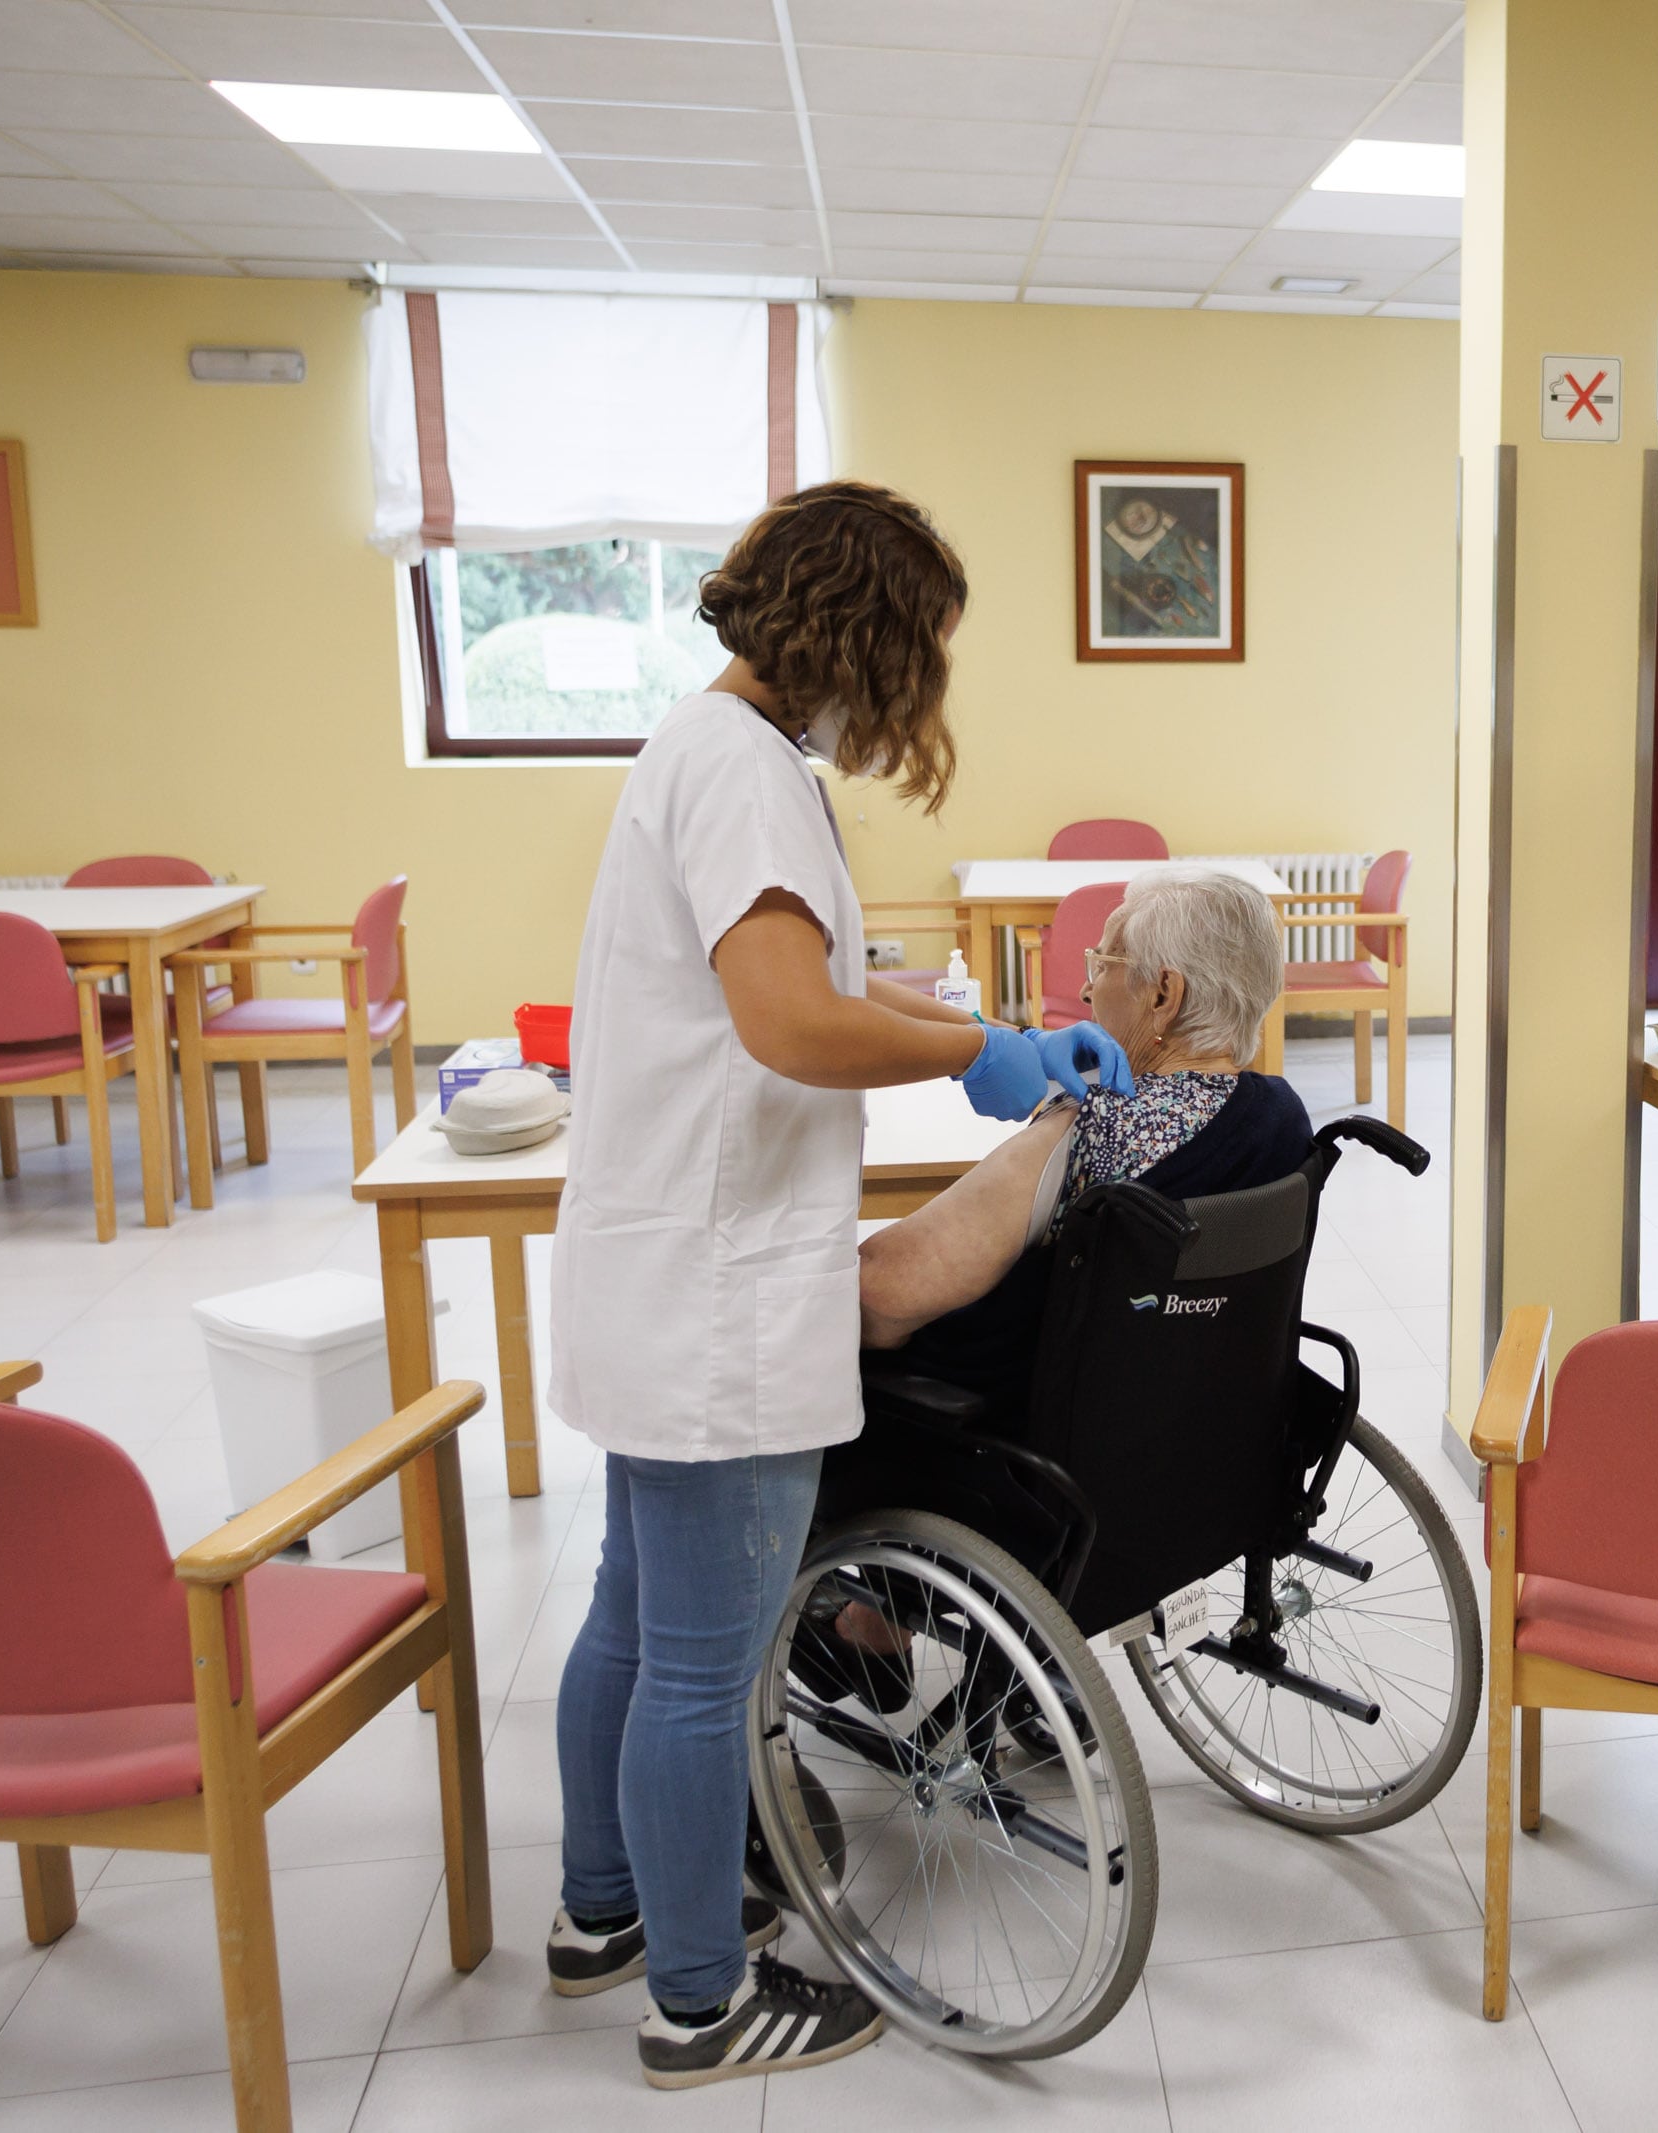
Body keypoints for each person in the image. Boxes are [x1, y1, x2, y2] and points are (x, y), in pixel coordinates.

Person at [545, 481, 1131, 2091]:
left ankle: (602, 1914)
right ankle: (700, 1999)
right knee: (699, 1667)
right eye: (921, 649)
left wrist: (934, 1007)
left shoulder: (705, 747)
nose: (920, 688)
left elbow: (789, 979)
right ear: (865, 635)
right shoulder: (745, 775)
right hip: (716, 1290)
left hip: (655, 1264)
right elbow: (791, 1026)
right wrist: (981, 1051)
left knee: (627, 1623)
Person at [847, 863, 1313, 1398]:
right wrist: (1016, 1039)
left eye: (1103, 962)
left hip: (1014, 1433)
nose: (1085, 987)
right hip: (1198, 1418)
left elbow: (881, 1296)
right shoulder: (1280, 1115)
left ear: (1163, 994)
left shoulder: (1094, 1124)